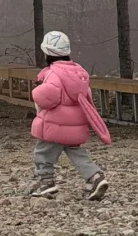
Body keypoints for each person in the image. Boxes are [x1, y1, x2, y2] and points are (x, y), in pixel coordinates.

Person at [27, 29, 110, 199]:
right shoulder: (78, 72)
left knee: (43, 152)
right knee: (76, 152)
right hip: (75, 124)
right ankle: (95, 177)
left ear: (47, 53)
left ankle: (45, 182)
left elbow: (48, 95)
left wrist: (36, 92)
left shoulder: (54, 73)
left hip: (55, 124)